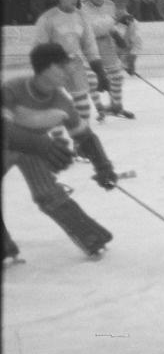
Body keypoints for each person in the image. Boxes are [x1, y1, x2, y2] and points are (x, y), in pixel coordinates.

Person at [2, 43, 118, 259]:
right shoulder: (12, 89)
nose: (69, 71)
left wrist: (103, 165)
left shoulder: (62, 102)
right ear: (45, 68)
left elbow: (85, 137)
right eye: (63, 66)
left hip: (33, 150)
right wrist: (42, 144)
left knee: (49, 194)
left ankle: (91, 236)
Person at [33, 0, 110, 124]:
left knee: (82, 103)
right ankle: (59, 141)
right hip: (52, 67)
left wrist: (99, 70)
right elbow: (39, 47)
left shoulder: (81, 17)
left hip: (75, 65)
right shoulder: (47, 18)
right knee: (52, 107)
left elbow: (89, 45)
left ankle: (81, 141)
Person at [82, 0, 136, 120]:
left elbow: (110, 23)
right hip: (91, 44)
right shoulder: (84, 9)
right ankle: (100, 107)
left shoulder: (109, 5)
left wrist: (116, 34)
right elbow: (94, 27)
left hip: (106, 43)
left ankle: (116, 106)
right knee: (93, 81)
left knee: (117, 76)